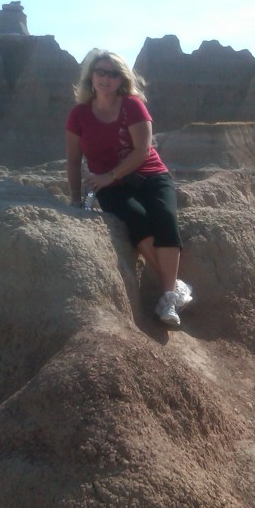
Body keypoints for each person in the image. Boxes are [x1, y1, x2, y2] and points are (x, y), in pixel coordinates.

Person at [65, 49, 193, 326]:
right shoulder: (79, 114)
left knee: (166, 220)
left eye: (112, 74)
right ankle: (174, 289)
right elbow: (74, 160)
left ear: (121, 79)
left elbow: (143, 151)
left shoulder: (132, 105)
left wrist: (109, 175)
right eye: (100, 72)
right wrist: (75, 197)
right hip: (110, 185)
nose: (105, 78)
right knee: (137, 220)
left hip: (149, 175)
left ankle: (168, 296)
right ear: (91, 76)